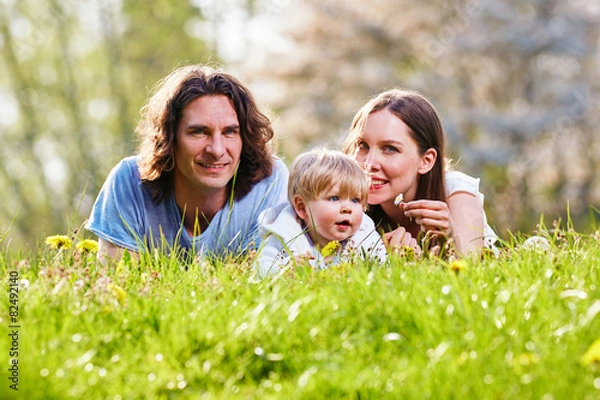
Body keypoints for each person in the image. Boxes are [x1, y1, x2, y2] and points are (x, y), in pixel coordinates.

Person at [86, 64, 289, 263]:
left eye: (229, 132)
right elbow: (118, 284)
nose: (217, 150)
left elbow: (262, 284)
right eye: (199, 132)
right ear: (169, 138)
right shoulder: (129, 182)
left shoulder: (269, 182)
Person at [342, 88, 497, 256]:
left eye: (389, 149)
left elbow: (471, 269)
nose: (369, 163)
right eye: (363, 146)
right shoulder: (341, 203)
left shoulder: (456, 191)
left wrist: (451, 238)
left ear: (426, 160)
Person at [254, 148, 387, 277]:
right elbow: (261, 269)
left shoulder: (364, 233)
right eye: (334, 198)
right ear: (302, 207)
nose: (348, 208)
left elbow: (384, 268)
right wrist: (284, 272)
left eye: (355, 200)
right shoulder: (285, 233)